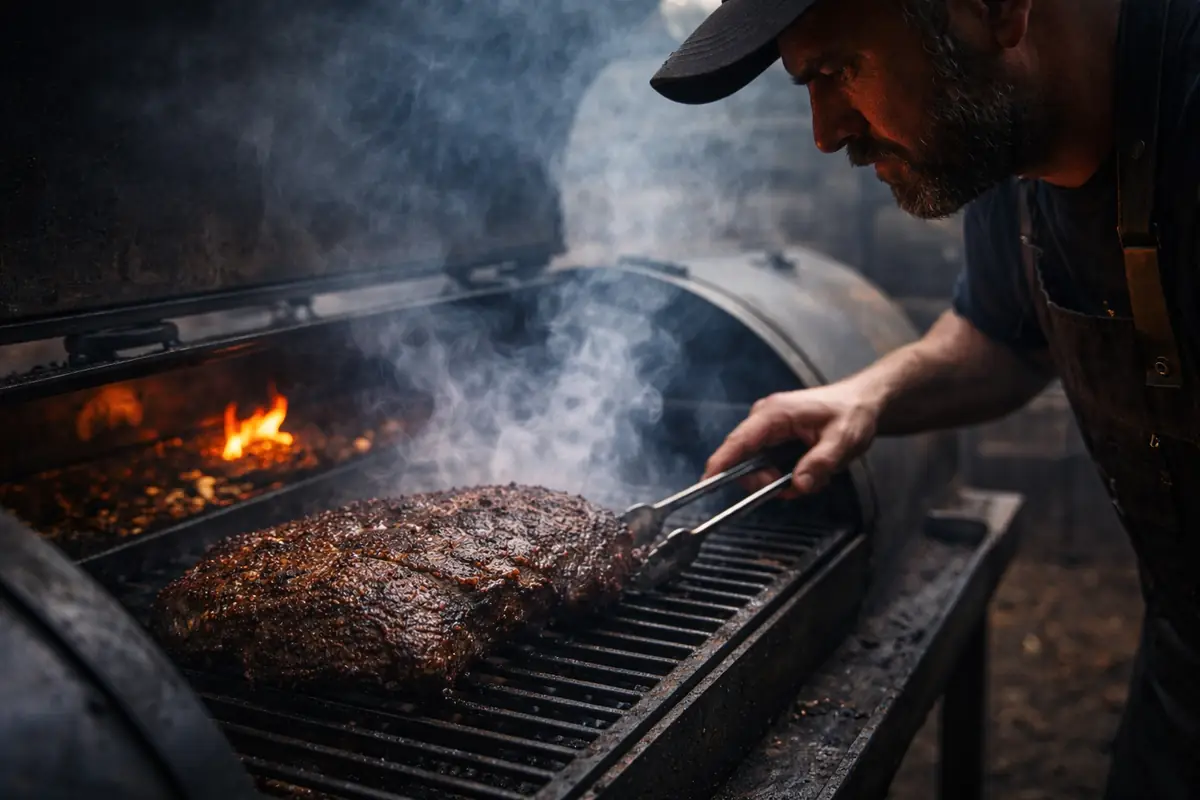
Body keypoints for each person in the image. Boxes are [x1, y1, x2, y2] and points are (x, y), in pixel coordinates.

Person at [650, 0, 1200, 795]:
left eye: (838, 69)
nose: (826, 133)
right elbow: (1002, 337)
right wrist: (865, 397)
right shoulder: (1016, 145)